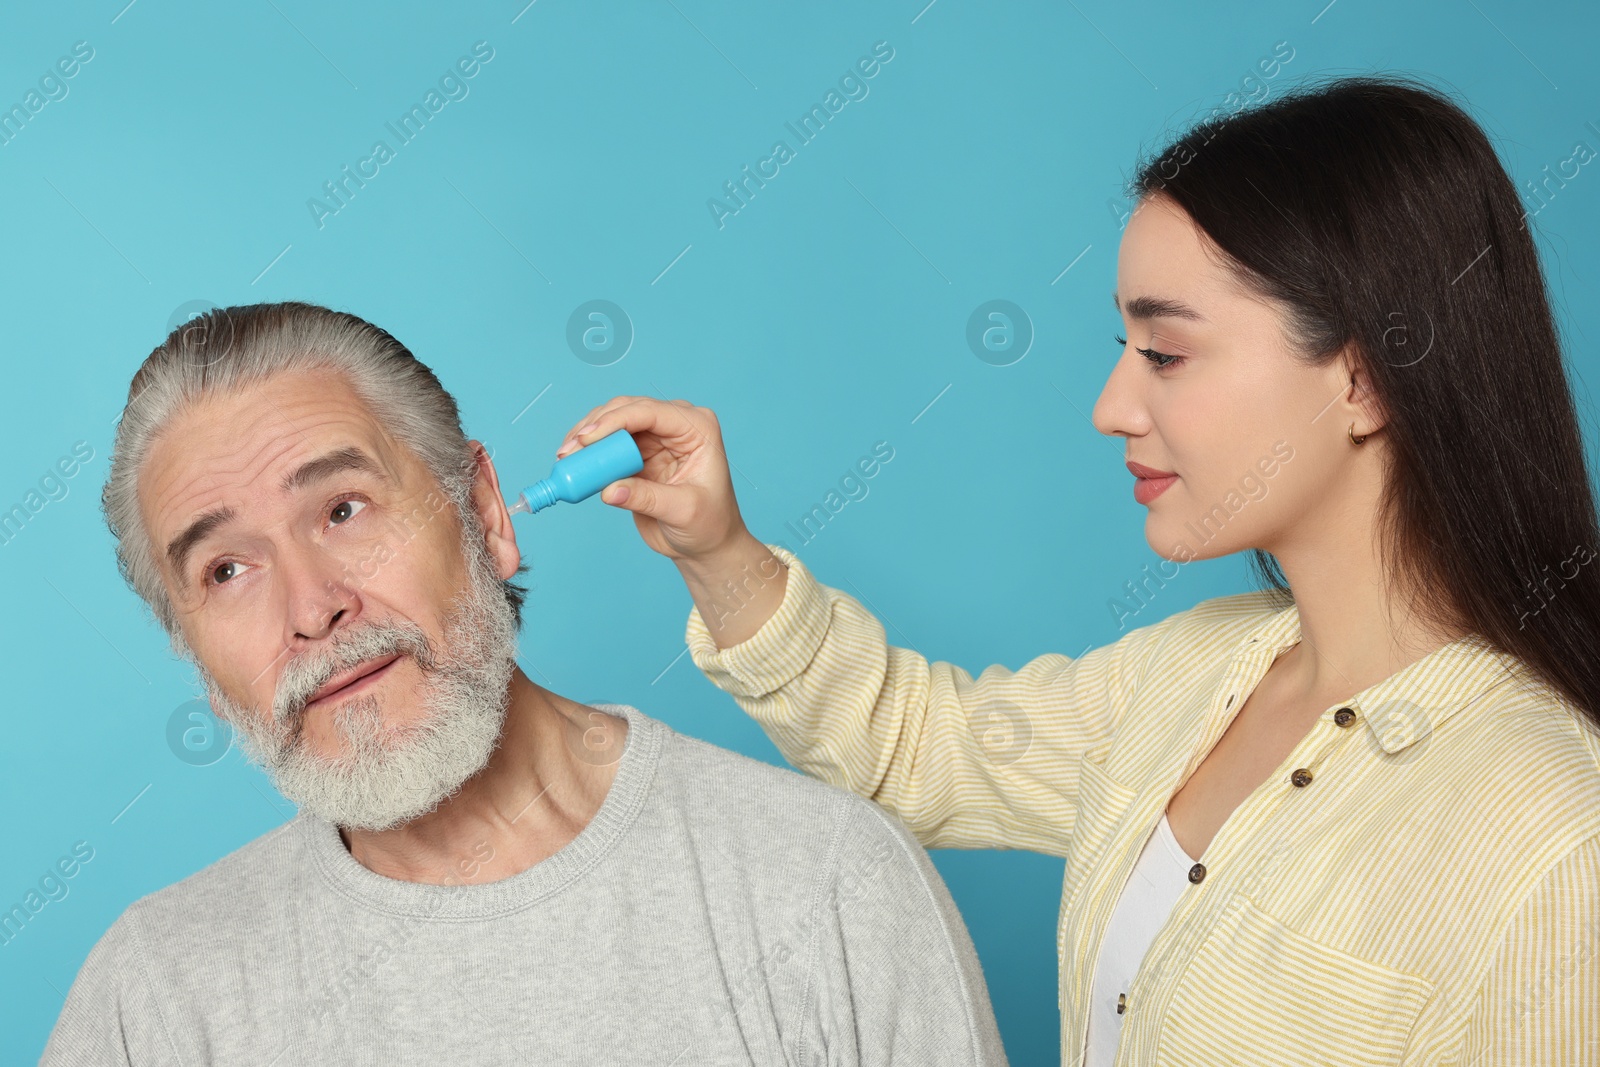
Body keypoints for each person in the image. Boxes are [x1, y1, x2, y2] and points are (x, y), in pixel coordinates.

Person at [553, 74, 1600, 1065]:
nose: (1110, 407)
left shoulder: (1556, 835)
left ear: (1365, 377)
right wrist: (717, 550)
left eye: (1166, 352)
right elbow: (916, 746)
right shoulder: (1185, 675)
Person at [40, 301, 1009, 1066]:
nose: (311, 607)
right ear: (199, 664)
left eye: (342, 508)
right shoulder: (151, 999)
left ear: (486, 515)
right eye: (225, 570)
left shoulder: (825, 886)